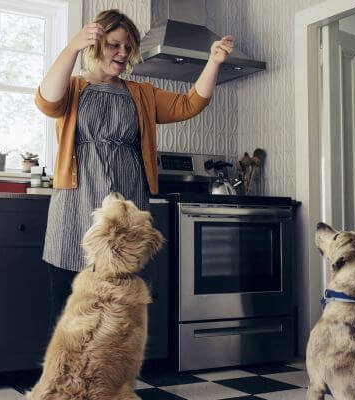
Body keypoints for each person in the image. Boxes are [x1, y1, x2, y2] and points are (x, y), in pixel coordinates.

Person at [35, 9, 234, 331]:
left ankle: (114, 373)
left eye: (128, 47)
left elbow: (189, 104)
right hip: (75, 206)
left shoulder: (141, 94)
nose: (123, 53)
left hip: (127, 208)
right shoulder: (72, 87)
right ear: (95, 45)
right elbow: (47, 100)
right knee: (70, 304)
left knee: (120, 307)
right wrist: (71, 48)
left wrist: (213, 62)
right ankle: (71, 376)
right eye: (115, 45)